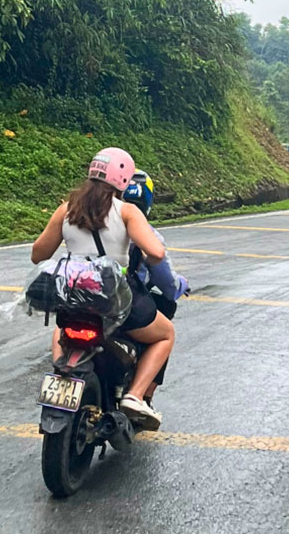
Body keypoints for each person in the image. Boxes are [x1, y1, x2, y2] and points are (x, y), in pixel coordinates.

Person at [31, 147, 174, 429]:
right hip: (114, 298)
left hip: (73, 293)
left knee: (62, 325)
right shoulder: (127, 211)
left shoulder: (67, 209)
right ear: (124, 180)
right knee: (165, 334)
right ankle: (135, 396)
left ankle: (62, 374)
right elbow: (157, 253)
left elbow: (38, 255)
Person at [124, 171, 189, 417]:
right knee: (165, 331)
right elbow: (167, 283)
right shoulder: (148, 234)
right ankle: (141, 395)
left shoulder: (91, 221)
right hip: (123, 302)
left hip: (82, 295)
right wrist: (182, 284)